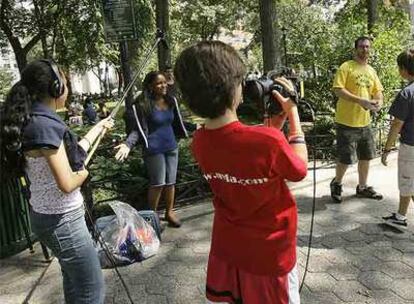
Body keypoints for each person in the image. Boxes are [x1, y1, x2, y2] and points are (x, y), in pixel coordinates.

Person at [174, 41, 308, 304]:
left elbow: (240, 150)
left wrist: (273, 128)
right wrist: (293, 117)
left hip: (230, 248)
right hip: (270, 254)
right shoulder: (267, 141)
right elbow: (299, 170)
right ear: (233, 89)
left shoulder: (199, 142)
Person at [0, 59, 114, 304]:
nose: (67, 86)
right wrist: (83, 174)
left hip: (46, 217)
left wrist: (97, 129)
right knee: (91, 290)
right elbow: (67, 182)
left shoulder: (35, 121)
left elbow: (70, 155)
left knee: (74, 282)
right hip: (64, 221)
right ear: (54, 87)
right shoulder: (44, 126)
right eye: (64, 80)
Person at [114, 71, 192, 228]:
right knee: (158, 183)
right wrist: (128, 144)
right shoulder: (143, 105)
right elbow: (137, 129)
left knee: (171, 182)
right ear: (150, 86)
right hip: (154, 149)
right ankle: (152, 216)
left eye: (164, 82)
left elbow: (178, 123)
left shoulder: (171, 101)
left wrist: (198, 127)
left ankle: (170, 212)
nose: (163, 86)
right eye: (159, 83)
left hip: (171, 147)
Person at [330, 36, 384, 203]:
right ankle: (337, 183)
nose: (365, 49)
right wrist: (360, 100)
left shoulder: (371, 71)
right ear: (355, 49)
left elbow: (378, 91)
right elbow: (338, 90)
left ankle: (362, 187)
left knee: (366, 156)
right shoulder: (346, 67)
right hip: (346, 122)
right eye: (361, 47)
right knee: (345, 158)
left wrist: (379, 102)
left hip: (365, 122)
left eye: (367, 47)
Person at [381, 49, 414, 230]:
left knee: (407, 181)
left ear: (403, 68)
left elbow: (396, 125)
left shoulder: (406, 94)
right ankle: (400, 215)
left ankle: (400, 218)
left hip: (410, 146)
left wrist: (387, 149)